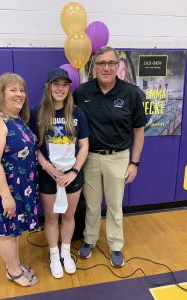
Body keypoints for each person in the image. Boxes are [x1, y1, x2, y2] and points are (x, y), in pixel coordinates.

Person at [73, 46, 147, 267]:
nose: (106, 68)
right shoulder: (82, 92)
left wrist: (134, 162)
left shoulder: (131, 93)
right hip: (90, 158)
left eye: (111, 63)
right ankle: (90, 240)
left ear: (118, 66)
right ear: (94, 67)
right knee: (93, 205)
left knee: (115, 206)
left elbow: (139, 130)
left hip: (118, 157)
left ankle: (115, 245)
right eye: (101, 63)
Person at [0, 73, 39, 286]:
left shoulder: (17, 120)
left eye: (22, 90)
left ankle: (14, 264)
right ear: (1, 93)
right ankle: (13, 272)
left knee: (13, 230)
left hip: (20, 187)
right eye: (13, 90)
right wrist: (6, 196)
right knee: (5, 232)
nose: (19, 94)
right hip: (3, 190)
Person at [29, 68, 89, 279]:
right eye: (56, 84)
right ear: (48, 87)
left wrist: (74, 171)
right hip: (49, 175)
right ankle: (54, 254)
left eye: (64, 85)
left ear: (68, 88)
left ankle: (65, 252)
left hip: (72, 175)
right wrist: (46, 166)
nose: (60, 89)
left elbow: (83, 146)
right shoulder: (37, 113)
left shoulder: (78, 112)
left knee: (69, 215)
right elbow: (33, 147)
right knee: (52, 217)